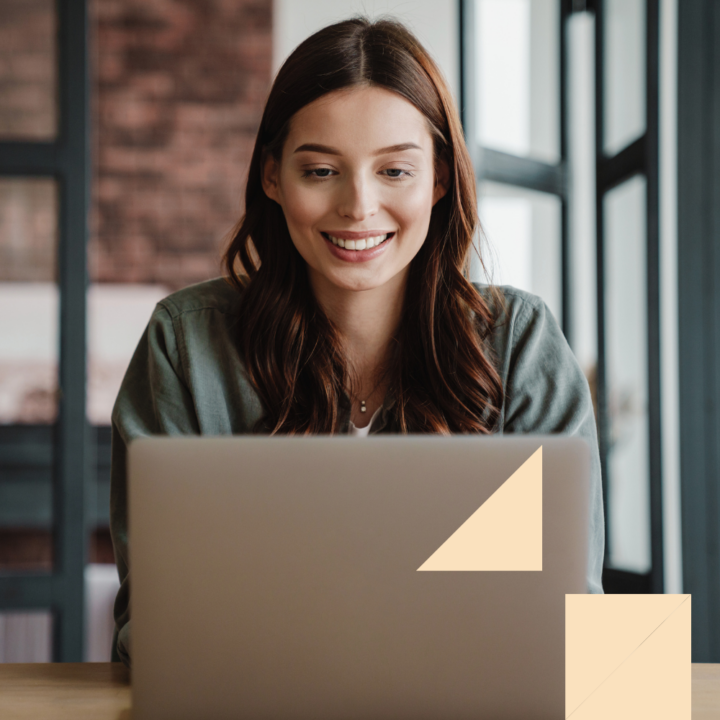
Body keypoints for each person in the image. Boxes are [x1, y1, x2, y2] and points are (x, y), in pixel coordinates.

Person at [109, 16, 605, 666]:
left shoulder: (521, 342)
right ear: (272, 177)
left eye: (395, 171)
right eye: (320, 171)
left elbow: (576, 625)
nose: (359, 206)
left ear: (439, 180)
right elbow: (151, 630)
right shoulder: (184, 343)